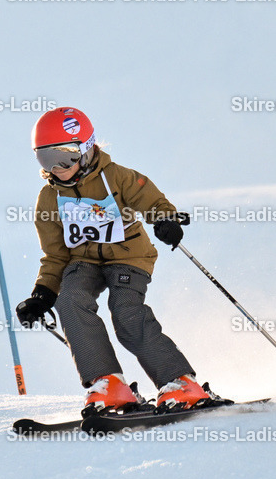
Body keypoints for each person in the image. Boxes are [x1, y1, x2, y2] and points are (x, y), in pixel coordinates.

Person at [16, 107, 224, 416]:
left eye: (65, 157)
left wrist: (165, 219)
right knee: (69, 300)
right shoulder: (49, 199)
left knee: (125, 313)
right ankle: (109, 385)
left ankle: (179, 382)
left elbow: (152, 201)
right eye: (46, 159)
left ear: (85, 150)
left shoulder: (115, 177)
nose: (57, 168)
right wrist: (42, 294)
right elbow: (56, 255)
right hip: (82, 260)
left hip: (128, 256)